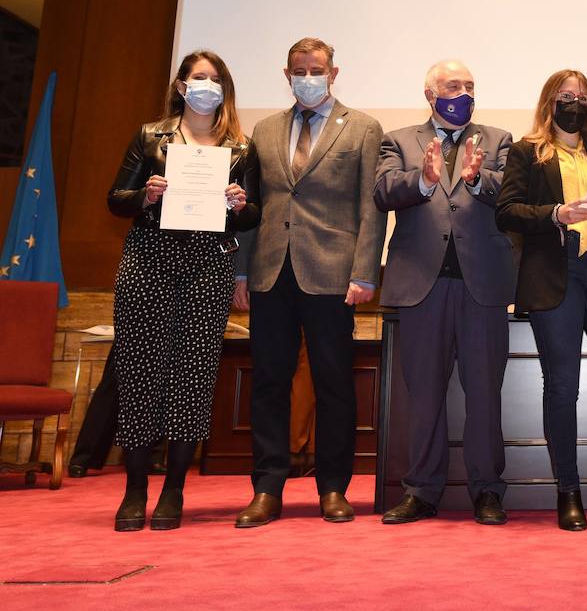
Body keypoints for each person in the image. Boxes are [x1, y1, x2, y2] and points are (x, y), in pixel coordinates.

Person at [234, 37, 386, 528]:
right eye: (299, 69)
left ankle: (334, 487)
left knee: (335, 383)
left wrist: (365, 271)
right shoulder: (264, 129)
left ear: (333, 73)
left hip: (333, 273)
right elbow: (252, 207)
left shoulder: (362, 127)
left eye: (316, 68)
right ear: (286, 73)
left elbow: (371, 207)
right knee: (270, 382)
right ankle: (267, 487)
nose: (307, 76)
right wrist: (240, 270)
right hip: (270, 271)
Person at [106, 50, 259, 531]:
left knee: (192, 376)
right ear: (180, 85)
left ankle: (173, 489)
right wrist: (145, 195)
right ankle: (134, 491)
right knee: (139, 374)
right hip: (149, 260)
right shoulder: (151, 135)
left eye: (215, 79)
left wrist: (240, 204)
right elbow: (116, 199)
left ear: (225, 89)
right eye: (198, 78)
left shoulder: (241, 147)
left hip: (207, 265)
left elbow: (254, 216)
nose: (206, 86)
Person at [497, 69, 587, 531]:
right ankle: (568, 491)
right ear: (550, 102)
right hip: (556, 275)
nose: (574, 103)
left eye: (581, 97)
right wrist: (557, 213)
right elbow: (508, 212)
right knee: (562, 387)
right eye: (565, 96)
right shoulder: (527, 152)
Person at [374, 60, 515, 526]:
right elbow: (383, 191)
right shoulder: (398, 139)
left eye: (471, 86)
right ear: (430, 93)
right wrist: (424, 180)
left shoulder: (498, 139)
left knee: (484, 395)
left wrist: (477, 178)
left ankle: (488, 491)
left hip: (483, 284)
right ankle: (421, 491)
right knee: (425, 395)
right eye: (454, 86)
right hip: (421, 285)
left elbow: (512, 195)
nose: (465, 92)